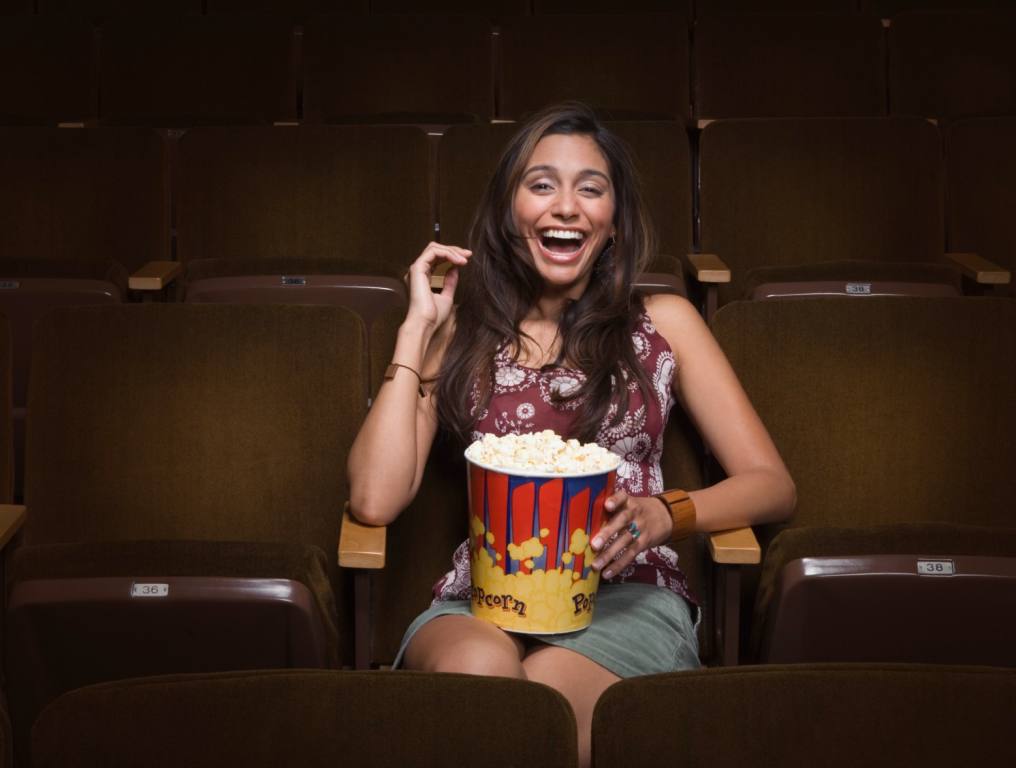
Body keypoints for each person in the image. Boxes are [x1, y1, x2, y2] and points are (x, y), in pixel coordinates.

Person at [348, 102, 795, 768]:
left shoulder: (664, 321)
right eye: (542, 184)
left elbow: (773, 485)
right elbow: (374, 501)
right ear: (508, 212)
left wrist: (664, 515)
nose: (567, 206)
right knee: (481, 691)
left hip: (625, 595)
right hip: (482, 597)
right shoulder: (458, 330)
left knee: (544, 717)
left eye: (591, 188)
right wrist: (417, 330)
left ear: (613, 223)